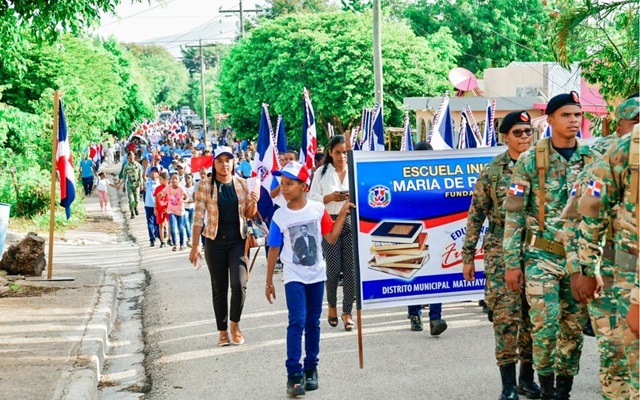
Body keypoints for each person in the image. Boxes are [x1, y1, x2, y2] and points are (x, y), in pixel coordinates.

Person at [503, 92, 593, 399]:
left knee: (572, 327)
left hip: (579, 260)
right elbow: (513, 215)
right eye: (566, 115)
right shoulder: (530, 160)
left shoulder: (592, 159)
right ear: (551, 119)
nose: (573, 121)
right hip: (542, 256)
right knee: (544, 326)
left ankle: (563, 390)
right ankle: (546, 387)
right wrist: (512, 264)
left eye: (577, 115)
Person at [462, 112, 540, 400]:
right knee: (506, 318)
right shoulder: (492, 171)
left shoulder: (541, 167)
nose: (524, 137)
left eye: (528, 131)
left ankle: (527, 379)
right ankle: (508, 384)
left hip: (535, 251)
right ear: (505, 136)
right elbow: (476, 215)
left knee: (534, 316)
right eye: (517, 132)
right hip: (499, 252)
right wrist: (467, 255)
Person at [264, 161, 354, 397]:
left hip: (316, 275)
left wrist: (343, 212)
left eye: (289, 184)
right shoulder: (279, 216)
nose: (284, 188)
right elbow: (274, 249)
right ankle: (294, 374)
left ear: (304, 186)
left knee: (313, 323)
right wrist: (269, 282)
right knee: (297, 321)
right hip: (294, 276)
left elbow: (331, 237)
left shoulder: (317, 209)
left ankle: (311, 369)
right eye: (282, 183)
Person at [577, 98, 639, 399]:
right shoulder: (617, 153)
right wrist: (587, 268)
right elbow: (590, 211)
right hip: (622, 268)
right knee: (619, 354)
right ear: (619, 125)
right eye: (635, 119)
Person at [188, 146, 258, 347]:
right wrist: (195, 247)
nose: (224, 164)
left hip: (238, 240)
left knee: (239, 284)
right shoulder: (205, 185)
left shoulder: (242, 184)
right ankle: (222, 331)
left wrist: (254, 202)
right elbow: (199, 217)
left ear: (233, 162)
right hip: (214, 241)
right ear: (214, 163)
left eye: (228, 160)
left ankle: (235, 325)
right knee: (219, 288)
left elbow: (248, 214)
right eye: (220, 161)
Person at [308, 135, 355, 331]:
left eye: (345, 153)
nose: (342, 157)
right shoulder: (321, 172)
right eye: (337, 153)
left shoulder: (355, 171)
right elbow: (311, 198)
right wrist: (330, 197)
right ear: (330, 153)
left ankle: (347, 312)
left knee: (351, 270)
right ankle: (332, 306)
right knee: (334, 269)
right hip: (329, 221)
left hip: (351, 220)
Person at [406, 141, 447, 336]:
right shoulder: (405, 176)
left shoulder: (440, 175)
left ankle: (435, 318)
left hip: (437, 230)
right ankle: (414, 315)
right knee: (414, 271)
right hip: (414, 232)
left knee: (436, 273)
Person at [162, 173, 187, 251]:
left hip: (180, 210)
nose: (174, 180)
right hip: (171, 210)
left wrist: (185, 200)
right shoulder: (168, 187)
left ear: (179, 181)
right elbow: (162, 193)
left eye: (176, 178)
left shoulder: (181, 188)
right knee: (172, 227)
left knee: (180, 228)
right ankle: (175, 244)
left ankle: (182, 244)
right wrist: (160, 195)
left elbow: (187, 197)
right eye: (172, 178)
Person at [122, 152, 144, 219]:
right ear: (128, 157)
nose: (131, 157)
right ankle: (132, 213)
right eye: (130, 156)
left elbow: (140, 175)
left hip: (136, 184)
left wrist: (141, 184)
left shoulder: (138, 165)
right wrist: (123, 185)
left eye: (132, 155)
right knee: (131, 200)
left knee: (137, 200)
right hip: (130, 184)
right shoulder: (126, 166)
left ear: (134, 156)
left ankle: (135, 207)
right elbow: (124, 176)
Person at [144, 167, 160, 247]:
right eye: (152, 172)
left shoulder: (159, 183)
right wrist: (146, 167)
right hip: (149, 205)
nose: (153, 173)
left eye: (155, 172)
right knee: (150, 223)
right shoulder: (148, 182)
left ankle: (159, 235)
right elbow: (143, 177)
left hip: (157, 206)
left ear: (158, 174)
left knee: (157, 222)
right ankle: (152, 239)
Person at [154, 172, 169, 248]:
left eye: (161, 179)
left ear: (166, 180)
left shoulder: (170, 187)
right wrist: (155, 208)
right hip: (160, 208)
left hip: (168, 208)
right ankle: (162, 240)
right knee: (161, 224)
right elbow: (156, 199)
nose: (159, 181)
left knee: (170, 224)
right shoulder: (158, 188)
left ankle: (170, 238)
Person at [183, 173, 195, 248]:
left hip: (192, 208)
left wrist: (188, 201)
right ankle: (189, 238)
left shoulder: (194, 188)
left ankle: (189, 238)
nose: (187, 179)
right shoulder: (183, 188)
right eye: (186, 178)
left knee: (190, 224)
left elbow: (195, 199)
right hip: (184, 208)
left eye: (188, 178)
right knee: (186, 223)